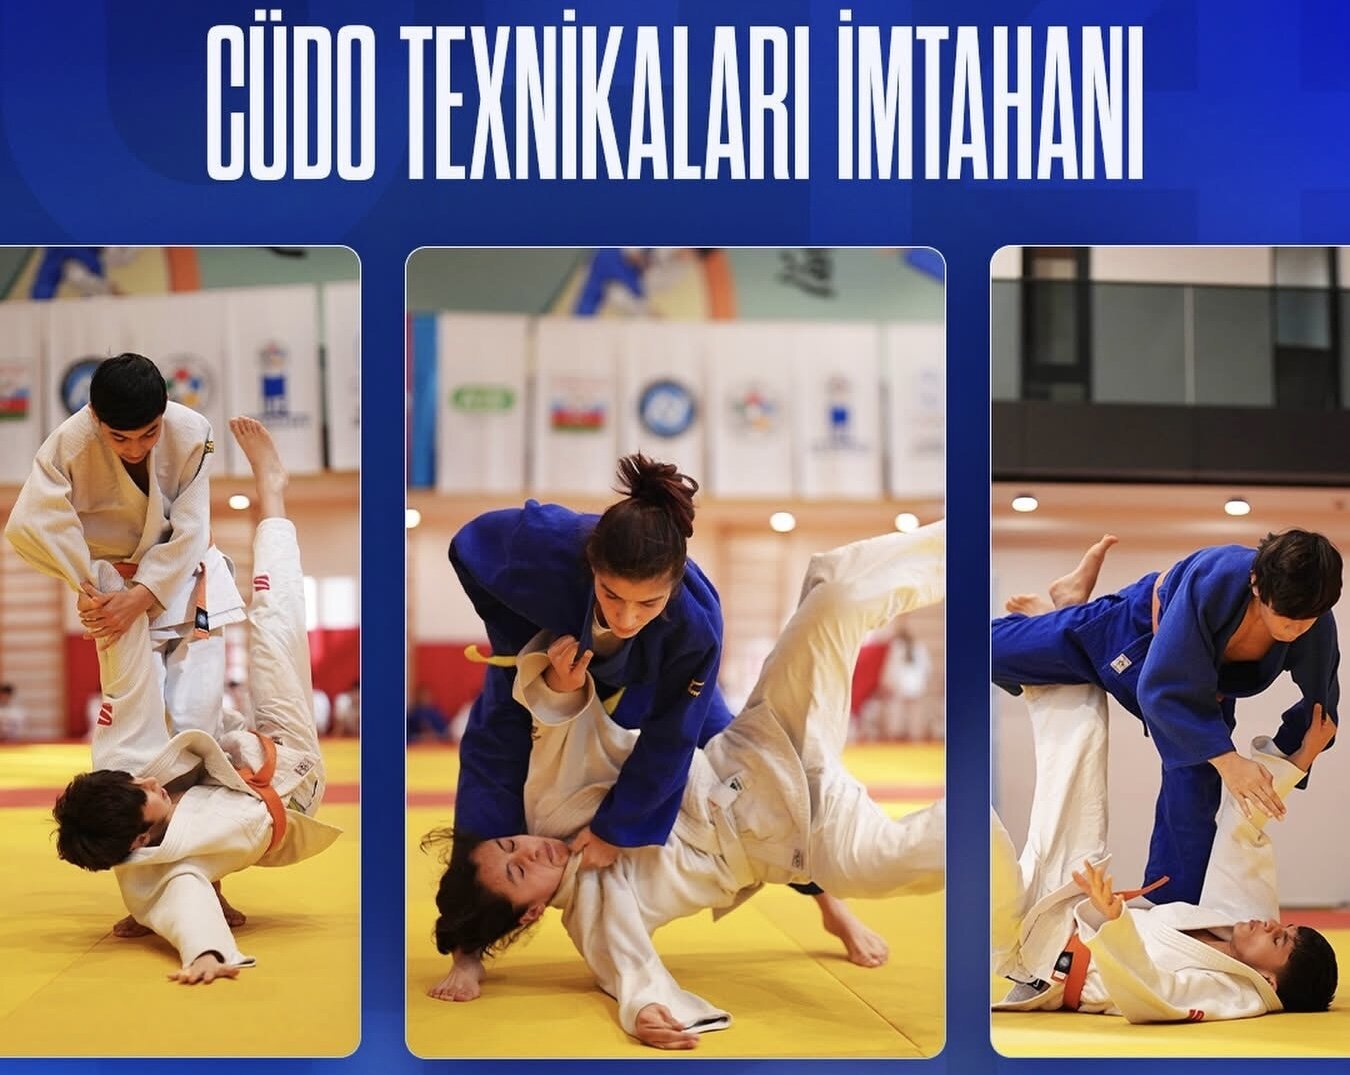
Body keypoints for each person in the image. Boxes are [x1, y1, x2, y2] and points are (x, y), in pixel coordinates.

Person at [427, 523, 948, 1048]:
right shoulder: (592, 912)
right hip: (798, 840)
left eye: (512, 843)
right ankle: (984, 820)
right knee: (892, 861)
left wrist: (563, 690)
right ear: (535, 910)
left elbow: (574, 740)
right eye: (520, 869)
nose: (529, 849)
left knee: (836, 601)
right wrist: (645, 1008)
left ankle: (956, 544)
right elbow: (624, 965)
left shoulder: (674, 631)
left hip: (754, 753)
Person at [441, 454, 886, 998]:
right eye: (611, 595)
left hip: (651, 682)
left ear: (672, 588)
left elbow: (672, 736)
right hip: (545, 665)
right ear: (590, 567)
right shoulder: (543, 546)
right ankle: (468, 948)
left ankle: (830, 905)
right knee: (487, 787)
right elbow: (468, 547)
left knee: (754, 783)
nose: (627, 617)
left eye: (647, 603)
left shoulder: (696, 620)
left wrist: (617, 828)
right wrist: (526, 641)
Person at [50, 417, 341, 984]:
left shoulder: (122, 788)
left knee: (158, 719)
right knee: (275, 625)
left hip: (221, 749)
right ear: (142, 841)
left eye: (137, 784)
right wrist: (205, 952)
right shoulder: (168, 863)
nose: (148, 782)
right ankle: (272, 488)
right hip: (286, 779)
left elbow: (126, 687)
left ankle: (176, 577)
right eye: (147, 796)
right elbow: (187, 905)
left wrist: (106, 608)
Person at [991, 531, 1341, 904]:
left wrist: (1292, 760)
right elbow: (1160, 688)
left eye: (1307, 621)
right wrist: (1228, 759)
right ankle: (1061, 613)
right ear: (1256, 584)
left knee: (1195, 789)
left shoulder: (1313, 615)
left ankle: (1173, 914)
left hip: (1203, 692)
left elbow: (1320, 713)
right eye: (1285, 617)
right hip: (1134, 632)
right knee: (984, 652)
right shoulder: (1215, 577)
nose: (1295, 629)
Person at [992, 682, 1338, 1021]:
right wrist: (1301, 759)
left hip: (1034, 956)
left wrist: (1115, 922)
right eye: (1284, 927)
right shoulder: (1247, 922)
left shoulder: (1230, 996)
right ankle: (1024, 661)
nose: (1270, 924)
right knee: (1081, 711)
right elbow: (1243, 831)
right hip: (1066, 903)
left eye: (1278, 940)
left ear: (1267, 980)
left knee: (982, 839)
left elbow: (1151, 995)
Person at [5, 352, 244, 750]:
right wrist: (85, 584)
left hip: (187, 577)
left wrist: (145, 595)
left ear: (164, 411)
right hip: (114, 593)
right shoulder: (67, 444)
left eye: (150, 433)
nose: (136, 448)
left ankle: (211, 780)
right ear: (95, 416)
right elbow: (31, 524)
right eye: (119, 437)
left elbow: (193, 525)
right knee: (133, 724)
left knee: (197, 721)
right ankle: (135, 794)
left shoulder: (191, 430)